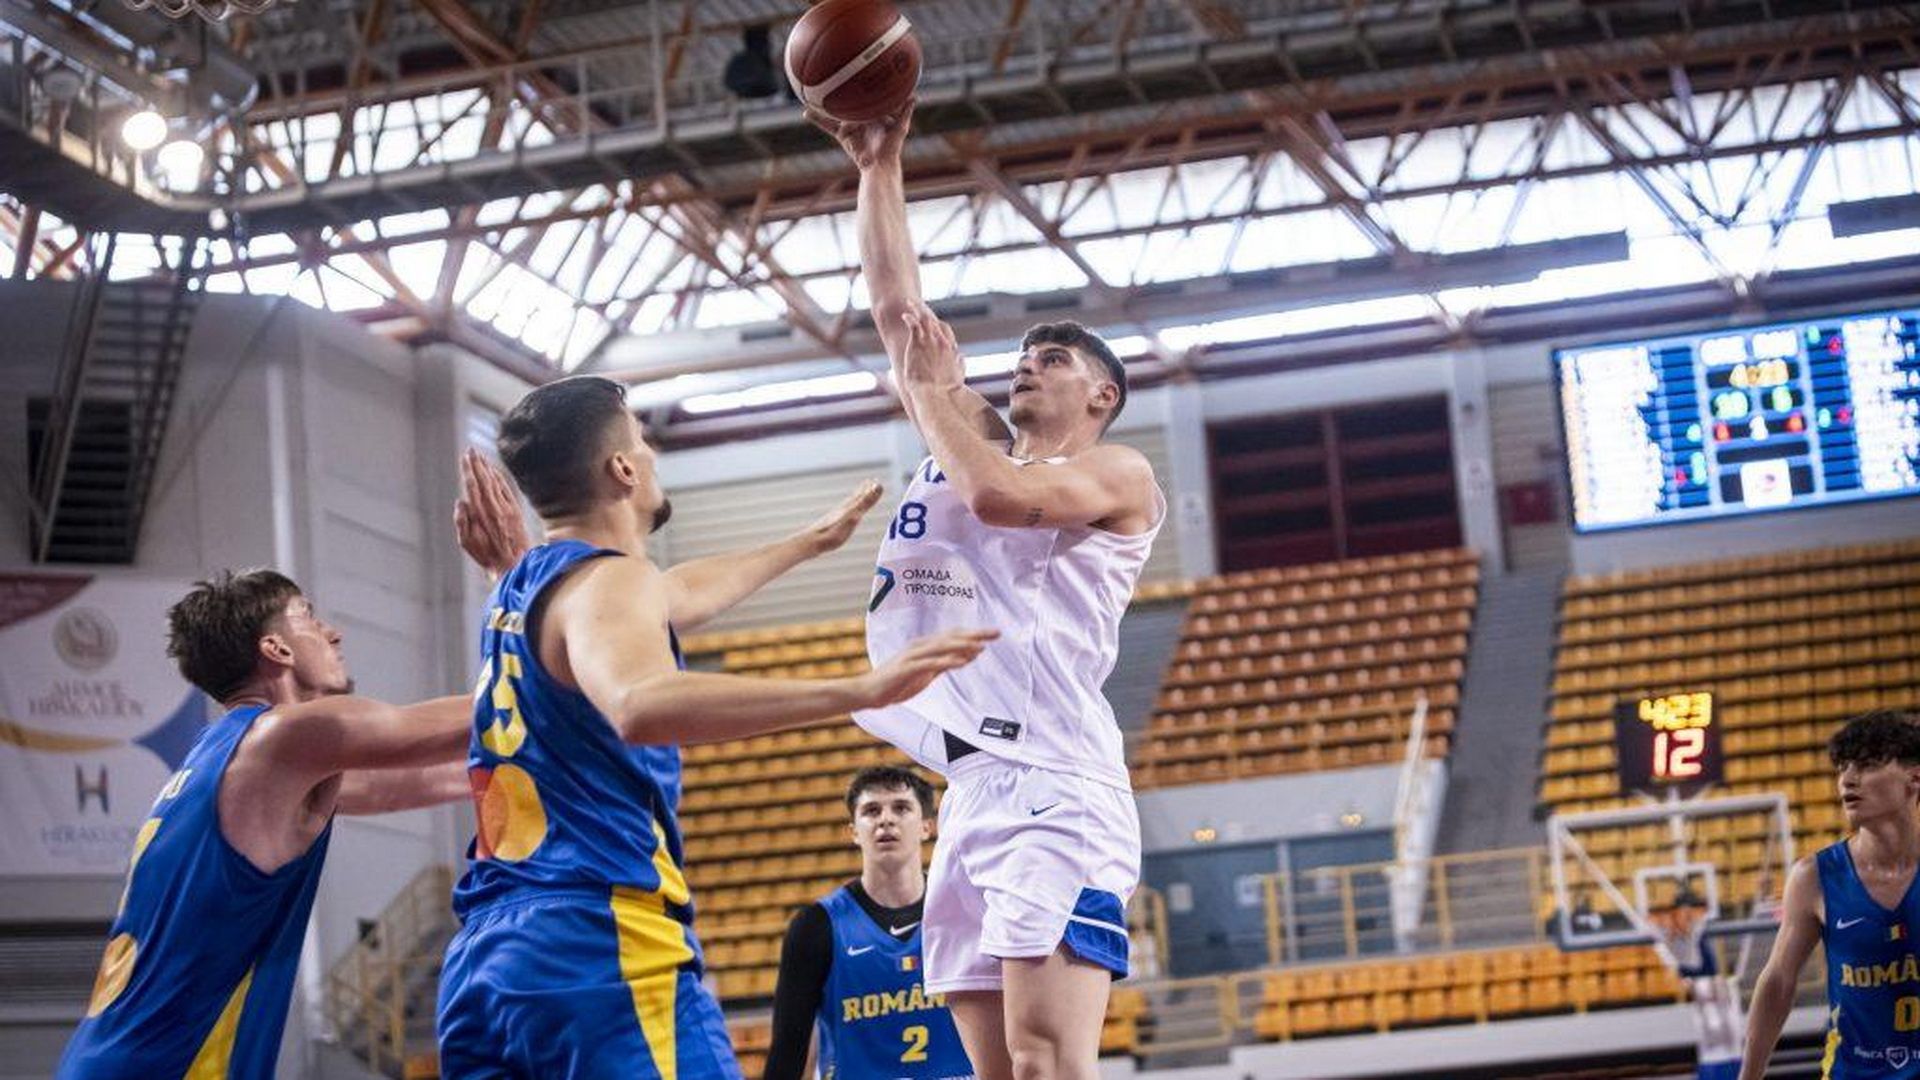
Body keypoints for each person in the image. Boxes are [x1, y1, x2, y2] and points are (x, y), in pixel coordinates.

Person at [433, 379, 995, 1080]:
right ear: (623, 469)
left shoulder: (525, 592)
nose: (651, 451)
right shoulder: (611, 582)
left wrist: (809, 543)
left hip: (485, 956)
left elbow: (681, 592)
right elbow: (639, 703)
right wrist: (857, 690)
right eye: (641, 438)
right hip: (594, 943)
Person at [811, 100, 1165, 1080]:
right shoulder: (968, 435)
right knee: (993, 1073)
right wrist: (877, 164)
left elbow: (999, 497)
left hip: (1057, 780)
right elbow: (902, 324)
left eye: (1053, 360)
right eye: (1023, 358)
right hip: (970, 786)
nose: (1026, 368)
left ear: (1101, 395)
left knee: (1049, 1061)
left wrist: (931, 395)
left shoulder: (1118, 472)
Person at [55, 569, 487, 1079]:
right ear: (276, 649)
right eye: (309, 617)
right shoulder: (280, 737)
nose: (333, 633)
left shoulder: (228, 757)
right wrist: (548, 641)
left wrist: (536, 767)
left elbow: (399, 785)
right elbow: (458, 721)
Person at [1741, 709, 1920, 1079]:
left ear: (1914, 777)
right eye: (1842, 767)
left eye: (1867, 765)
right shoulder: (1814, 877)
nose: (1847, 780)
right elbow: (1778, 981)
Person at [765, 765, 971, 1080]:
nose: (886, 819)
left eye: (901, 808)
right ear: (853, 831)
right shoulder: (816, 925)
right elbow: (787, 1052)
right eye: (871, 811)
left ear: (927, 826)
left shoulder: (964, 909)